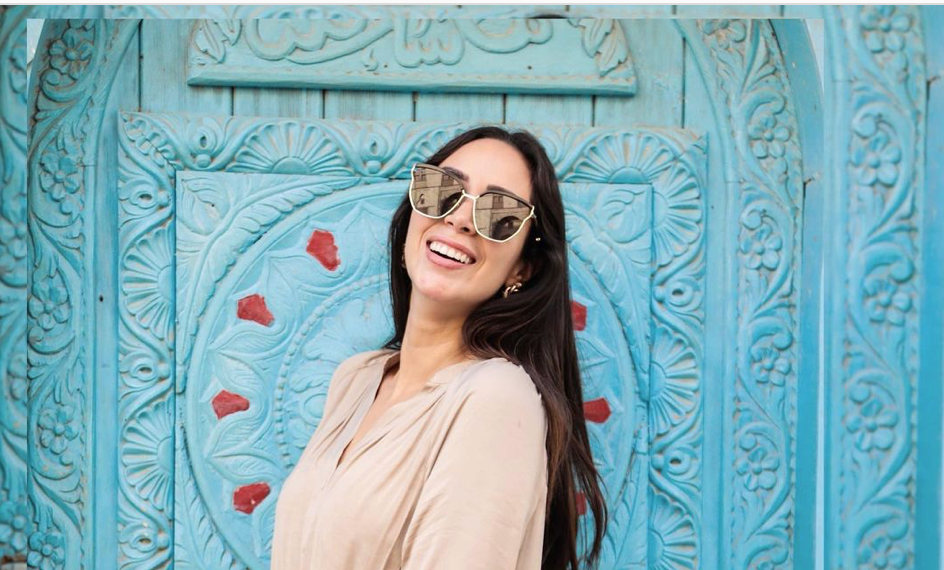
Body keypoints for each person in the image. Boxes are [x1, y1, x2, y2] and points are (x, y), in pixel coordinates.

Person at [271, 126, 607, 570]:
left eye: (500, 214)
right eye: (442, 189)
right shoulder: (356, 380)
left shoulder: (496, 397)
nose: (460, 219)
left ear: (522, 269)